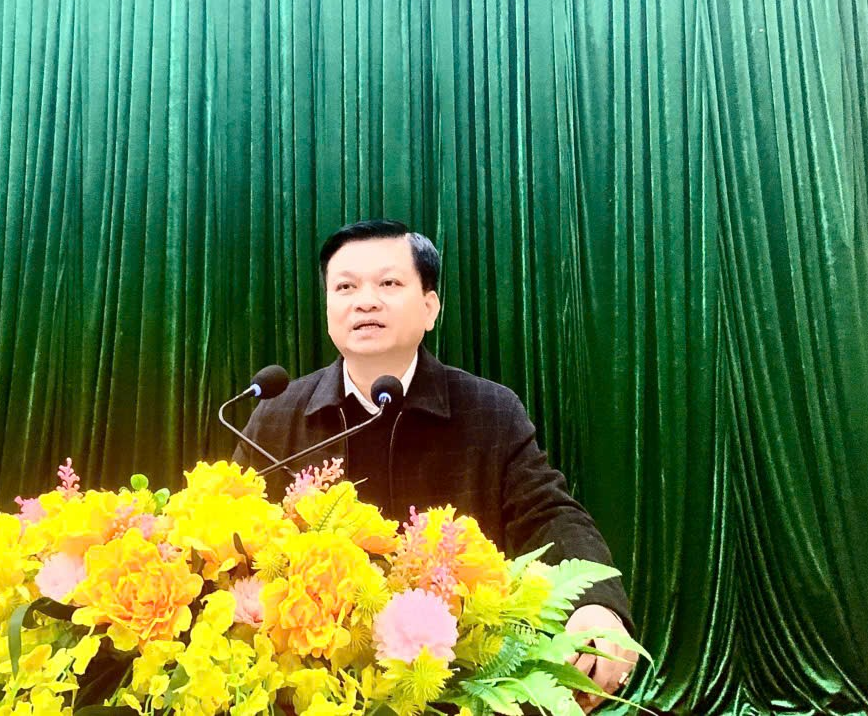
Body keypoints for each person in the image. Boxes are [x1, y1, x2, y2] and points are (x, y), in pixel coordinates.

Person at [233, 220, 638, 705]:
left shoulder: (490, 410)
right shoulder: (278, 414)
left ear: (430, 307)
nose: (365, 301)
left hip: (451, 685)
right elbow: (237, 536)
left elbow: (548, 514)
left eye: (388, 283)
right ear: (327, 309)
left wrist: (596, 604)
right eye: (345, 287)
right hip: (310, 686)